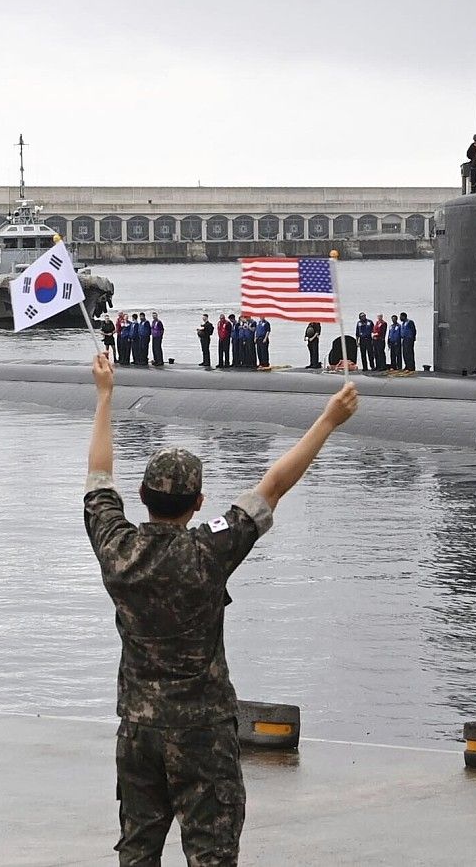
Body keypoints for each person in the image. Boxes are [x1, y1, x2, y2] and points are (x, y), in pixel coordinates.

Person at [84, 352, 359, 865]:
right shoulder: (209, 549)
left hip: (139, 730)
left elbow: (99, 477)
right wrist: (329, 419)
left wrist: (104, 395)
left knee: (138, 849)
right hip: (202, 732)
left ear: (142, 497)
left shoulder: (115, 548)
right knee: (211, 853)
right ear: (198, 502)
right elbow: (273, 486)